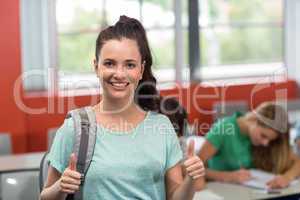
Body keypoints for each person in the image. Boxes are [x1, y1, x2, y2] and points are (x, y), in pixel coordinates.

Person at [40, 15, 205, 200]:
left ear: (141, 70)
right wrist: (61, 187)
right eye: (109, 63)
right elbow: (45, 197)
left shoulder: (163, 127)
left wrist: (191, 180)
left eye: (129, 65)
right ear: (96, 67)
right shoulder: (75, 128)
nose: (119, 74)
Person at [199, 101, 300, 189]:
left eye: (269, 140)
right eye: (263, 136)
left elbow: (297, 161)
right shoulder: (224, 129)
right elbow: (191, 168)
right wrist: (226, 176)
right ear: (254, 120)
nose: (265, 143)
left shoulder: (265, 140)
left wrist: (287, 177)